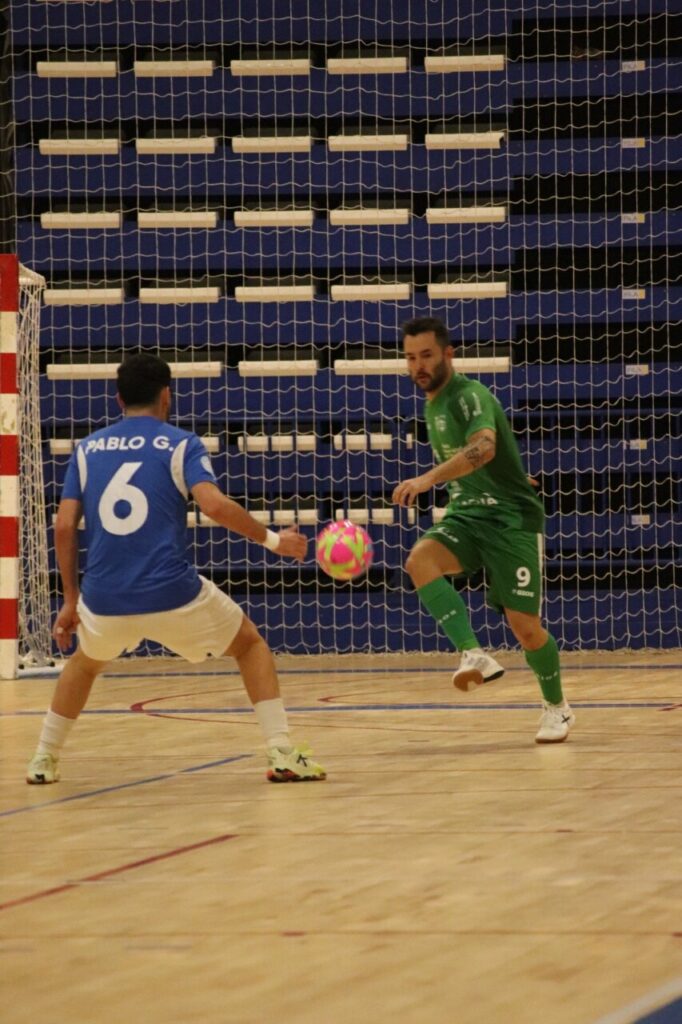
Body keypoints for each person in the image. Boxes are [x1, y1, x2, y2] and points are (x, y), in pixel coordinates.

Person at [26, 353, 326, 783]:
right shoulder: (180, 443)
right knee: (249, 645)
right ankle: (281, 750)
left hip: (104, 599)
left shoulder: (87, 450)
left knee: (84, 663)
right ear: (167, 396)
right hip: (173, 594)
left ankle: (43, 758)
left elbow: (63, 526)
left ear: (118, 400)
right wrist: (276, 541)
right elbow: (214, 505)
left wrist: (71, 600)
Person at [392, 317, 574, 743]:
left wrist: (426, 480)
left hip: (511, 519)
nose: (418, 366)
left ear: (448, 354)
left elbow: (485, 448)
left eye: (426, 356)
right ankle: (473, 653)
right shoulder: (431, 404)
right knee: (420, 560)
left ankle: (557, 708)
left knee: (525, 628)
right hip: (468, 515)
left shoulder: (468, 396)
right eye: (410, 358)